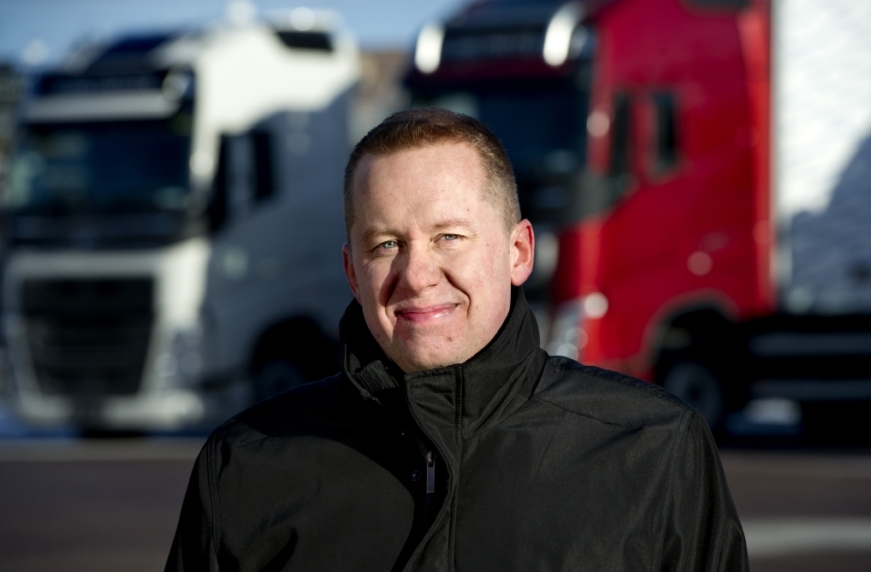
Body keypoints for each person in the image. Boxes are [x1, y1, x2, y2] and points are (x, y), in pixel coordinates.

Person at [166, 108, 748, 571]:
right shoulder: (246, 465)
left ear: (518, 252)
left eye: (448, 236)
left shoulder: (654, 451)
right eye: (387, 244)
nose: (417, 275)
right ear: (352, 273)